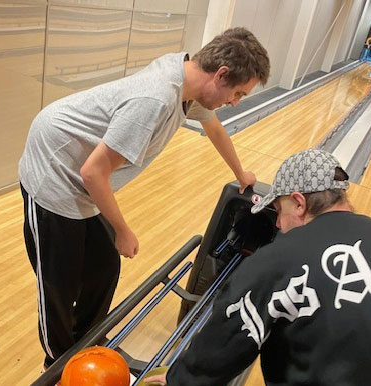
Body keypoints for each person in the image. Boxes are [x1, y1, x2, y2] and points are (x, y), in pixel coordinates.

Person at [18, 27, 270, 369]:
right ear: (221, 74)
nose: (235, 102)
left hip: (82, 171)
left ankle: (89, 342)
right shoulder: (155, 100)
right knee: (58, 285)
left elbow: (213, 126)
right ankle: (58, 364)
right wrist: (122, 229)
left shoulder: (189, 82)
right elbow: (93, 173)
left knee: (103, 267)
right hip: (54, 173)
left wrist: (242, 174)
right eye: (238, 93)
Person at [146, 149, 371, 385]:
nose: (277, 224)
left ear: (298, 204)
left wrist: (176, 380)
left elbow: (215, 354)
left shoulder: (278, 260)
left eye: (278, 211)